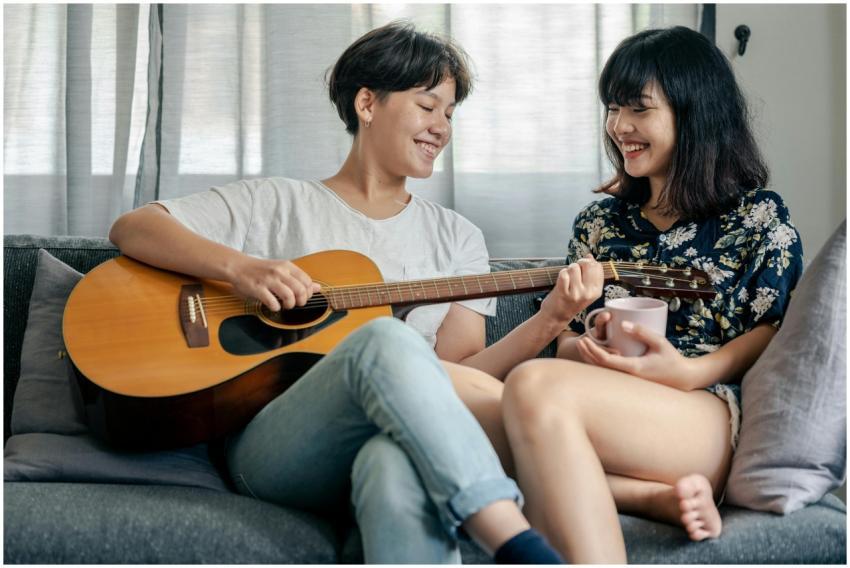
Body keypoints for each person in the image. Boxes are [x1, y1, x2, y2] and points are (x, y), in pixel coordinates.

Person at [109, 21, 581, 564]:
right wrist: (241, 268)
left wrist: (550, 320)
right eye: (428, 106)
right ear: (367, 103)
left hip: (391, 442)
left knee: (393, 466)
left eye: (450, 114)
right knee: (384, 337)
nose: (441, 128)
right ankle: (518, 543)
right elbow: (134, 227)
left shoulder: (459, 238)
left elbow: (459, 376)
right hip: (275, 447)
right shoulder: (276, 203)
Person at [492, 26, 804, 563]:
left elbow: (770, 329)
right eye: (613, 109)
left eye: (639, 108)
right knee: (442, 389)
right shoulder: (597, 222)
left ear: (695, 113)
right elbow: (568, 343)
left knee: (531, 385)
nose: (619, 126)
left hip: (700, 410)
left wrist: (688, 372)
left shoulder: (757, 217)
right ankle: (645, 495)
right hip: (598, 401)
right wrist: (590, 345)